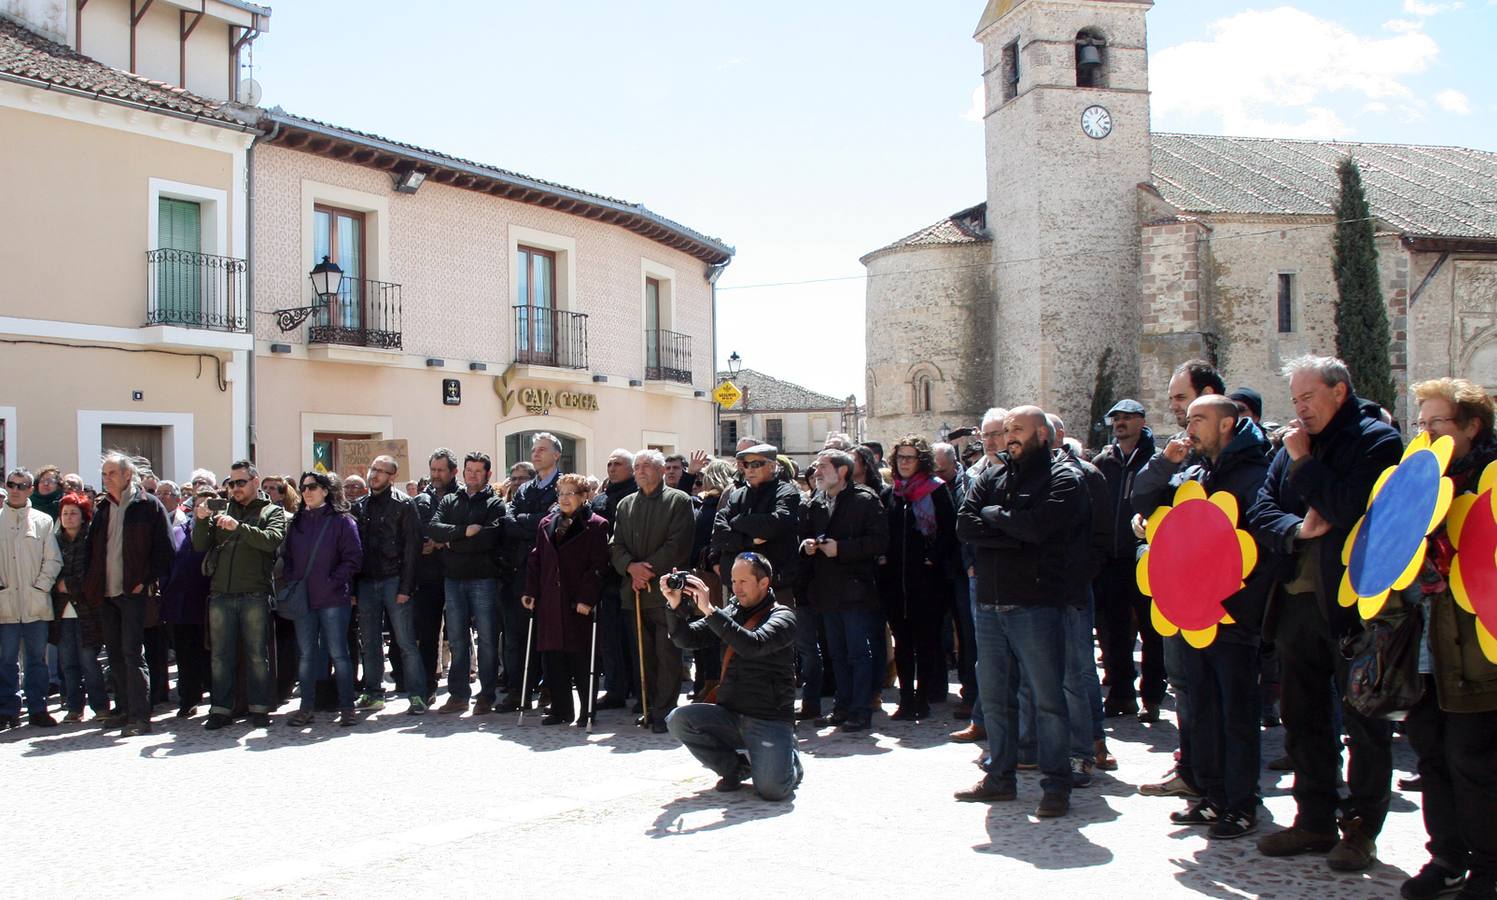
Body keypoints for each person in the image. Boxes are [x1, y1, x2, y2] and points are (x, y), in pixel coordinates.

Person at [1248, 355, 1402, 871]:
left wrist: (1305, 466)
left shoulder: (1375, 440)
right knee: (1304, 717)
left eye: (1307, 398)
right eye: (1294, 400)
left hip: (1353, 606)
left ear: (1339, 392)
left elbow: (1349, 506)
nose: (1299, 409)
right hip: (1295, 602)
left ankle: (1361, 827)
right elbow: (1261, 508)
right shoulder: (1291, 444)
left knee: (1363, 720)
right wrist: (1296, 530)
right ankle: (1313, 819)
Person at [1135, 395, 1272, 838]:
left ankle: (1241, 802)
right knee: (1204, 710)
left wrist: (1241, 605)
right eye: (1187, 418)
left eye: (1199, 419)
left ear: (1228, 424)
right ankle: (1213, 796)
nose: (1188, 427)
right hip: (1192, 611)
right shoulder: (1192, 469)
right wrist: (1163, 465)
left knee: (1236, 712)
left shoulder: (1254, 471)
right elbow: (1142, 500)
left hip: (1232, 612)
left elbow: (1260, 543)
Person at [954, 407, 1085, 819]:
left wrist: (997, 521)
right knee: (995, 698)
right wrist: (1009, 527)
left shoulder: (1064, 477)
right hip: (990, 605)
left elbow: (1040, 528)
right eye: (1006, 430)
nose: (1009, 437)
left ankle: (1056, 784)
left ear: (1042, 434)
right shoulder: (991, 475)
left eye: (1018, 430)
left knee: (1048, 700)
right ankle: (1000, 777)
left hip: (1036, 605)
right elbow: (965, 525)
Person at [1396, 378, 1497, 900]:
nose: (1426, 431)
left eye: (1437, 422)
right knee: (1430, 752)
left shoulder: (1489, 485)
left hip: (1479, 647)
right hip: (1428, 639)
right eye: (1422, 422)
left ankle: (1489, 866)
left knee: (1473, 758)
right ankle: (1447, 856)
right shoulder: (1419, 482)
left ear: (1472, 427)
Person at [663, 554, 803, 801]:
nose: (736, 588)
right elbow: (687, 639)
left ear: (764, 583)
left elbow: (753, 645)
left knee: (773, 791)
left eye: (743, 581)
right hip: (730, 714)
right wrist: (675, 607)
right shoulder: (732, 610)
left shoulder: (783, 617)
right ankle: (735, 768)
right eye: (733, 581)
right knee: (678, 720)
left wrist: (709, 610)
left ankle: (790, 757)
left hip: (769, 719)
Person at [711, 443, 808, 715]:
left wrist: (738, 524)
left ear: (772, 465)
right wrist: (751, 537)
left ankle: (780, 708)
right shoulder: (736, 494)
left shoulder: (786, 492)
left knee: (774, 646)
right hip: (739, 585)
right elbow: (719, 535)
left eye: (756, 464)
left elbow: (777, 523)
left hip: (775, 583)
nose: (749, 470)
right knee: (736, 641)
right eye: (745, 465)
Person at [194, 459, 287, 730]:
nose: (234, 488)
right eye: (231, 483)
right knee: (220, 655)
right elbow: (200, 544)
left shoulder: (271, 511)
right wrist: (201, 522)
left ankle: (260, 708)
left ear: (255, 482)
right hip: (221, 593)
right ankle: (221, 708)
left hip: (254, 593)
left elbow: (271, 541)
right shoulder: (221, 508)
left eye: (240, 482)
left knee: (258, 654)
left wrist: (239, 527)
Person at [83, 452, 173, 735]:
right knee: (115, 654)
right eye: (104, 473)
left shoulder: (149, 505)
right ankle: (122, 708)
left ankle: (139, 716)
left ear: (127, 475)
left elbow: (166, 551)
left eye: (111, 473)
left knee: (133, 653)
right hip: (107, 593)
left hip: (133, 593)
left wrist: (145, 580)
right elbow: (92, 549)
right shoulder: (103, 508)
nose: (106, 478)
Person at [800, 449, 889, 731]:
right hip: (826, 591)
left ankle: (861, 709)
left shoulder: (864, 500)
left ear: (842, 471)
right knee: (836, 654)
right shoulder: (816, 502)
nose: (817, 472)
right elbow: (803, 537)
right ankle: (843, 705)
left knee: (858, 653)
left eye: (823, 466)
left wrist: (842, 549)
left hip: (856, 591)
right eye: (816, 467)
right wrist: (807, 546)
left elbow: (879, 542)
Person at [610, 449, 695, 732]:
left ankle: (665, 710)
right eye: (637, 466)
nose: (641, 470)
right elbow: (616, 544)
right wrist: (630, 568)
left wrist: (647, 570)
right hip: (634, 592)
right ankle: (647, 706)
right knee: (643, 654)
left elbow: (678, 544)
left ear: (661, 471)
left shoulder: (678, 500)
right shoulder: (625, 504)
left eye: (648, 465)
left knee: (667, 653)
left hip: (666, 593)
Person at [522, 472, 610, 725]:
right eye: (561, 493)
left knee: (580, 658)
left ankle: (587, 711)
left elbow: (598, 566)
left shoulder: (596, 525)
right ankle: (561, 709)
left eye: (570, 493)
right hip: (550, 599)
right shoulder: (546, 523)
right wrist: (530, 591)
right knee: (553, 658)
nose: (564, 498)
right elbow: (536, 559)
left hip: (577, 601)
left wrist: (587, 598)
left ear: (583, 497)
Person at [427, 451, 507, 715]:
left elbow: (489, 539)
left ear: (488, 474)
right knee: (458, 640)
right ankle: (458, 695)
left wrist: (451, 543)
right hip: (454, 579)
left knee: (486, 640)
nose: (472, 475)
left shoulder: (495, 504)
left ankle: (486, 694)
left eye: (477, 471)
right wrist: (464, 532)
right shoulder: (450, 499)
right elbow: (434, 528)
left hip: (484, 579)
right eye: (468, 470)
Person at [280, 471, 363, 727]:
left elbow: (354, 558)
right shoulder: (296, 523)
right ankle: (307, 708)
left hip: (333, 598)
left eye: (313, 487)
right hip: (304, 599)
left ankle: (348, 707)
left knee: (339, 654)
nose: (306, 491)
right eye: (304, 487)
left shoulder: (342, 521)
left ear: (325, 491)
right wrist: (294, 581)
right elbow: (288, 558)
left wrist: (333, 580)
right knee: (306, 656)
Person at [884, 434, 957, 720]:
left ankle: (923, 698)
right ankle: (905, 699)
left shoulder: (936, 490)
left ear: (921, 460)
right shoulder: (892, 493)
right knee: (902, 643)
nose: (904, 463)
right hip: (896, 582)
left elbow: (950, 531)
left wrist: (933, 557)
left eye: (910, 457)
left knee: (926, 641)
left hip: (927, 581)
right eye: (900, 457)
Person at [352, 455, 425, 715]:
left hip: (394, 580)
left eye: (382, 471)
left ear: (392, 476)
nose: (375, 475)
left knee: (405, 642)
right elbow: (353, 550)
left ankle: (417, 695)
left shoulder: (404, 505)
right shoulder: (359, 506)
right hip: (366, 581)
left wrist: (406, 588)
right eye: (374, 469)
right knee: (369, 642)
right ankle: (373, 693)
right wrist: (353, 588)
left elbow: (412, 550)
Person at [501, 433, 563, 711]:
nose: (535, 454)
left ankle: (552, 687)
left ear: (556, 455)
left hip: (551, 572)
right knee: (516, 633)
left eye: (542, 450)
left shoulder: (563, 486)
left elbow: (554, 522)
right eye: (534, 450)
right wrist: (531, 522)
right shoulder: (525, 489)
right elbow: (508, 521)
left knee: (548, 633)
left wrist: (526, 522)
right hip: (520, 570)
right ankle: (519, 689)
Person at [0, 468, 63, 728]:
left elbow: (53, 559)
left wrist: (40, 587)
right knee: (6, 660)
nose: (15, 489)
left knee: (37, 660)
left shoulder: (43, 521)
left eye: (21, 484)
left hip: (35, 603)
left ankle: (38, 708)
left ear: (30, 488)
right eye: (11, 484)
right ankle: (7, 709)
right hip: (5, 603)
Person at [52, 491, 108, 721]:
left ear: (83, 516)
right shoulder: (54, 541)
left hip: (88, 611)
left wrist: (69, 585)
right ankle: (74, 707)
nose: (68, 517)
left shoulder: (90, 540)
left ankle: (100, 706)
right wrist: (59, 586)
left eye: (73, 513)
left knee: (89, 661)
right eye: (65, 513)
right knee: (68, 662)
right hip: (62, 611)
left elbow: (92, 574)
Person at [591, 447, 638, 710]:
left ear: (630, 469)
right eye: (609, 463)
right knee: (609, 637)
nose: (611, 467)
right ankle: (615, 689)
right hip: (605, 577)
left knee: (630, 635)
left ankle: (636, 686)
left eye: (618, 463)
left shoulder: (636, 495)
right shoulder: (601, 497)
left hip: (629, 574)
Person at [933, 440, 977, 717]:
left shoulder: (967, 484)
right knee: (940, 630)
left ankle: (971, 693)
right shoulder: (931, 487)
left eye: (940, 466)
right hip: (939, 568)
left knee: (968, 634)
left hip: (963, 569)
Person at [688, 459, 736, 699]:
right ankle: (704, 681)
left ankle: (714, 681)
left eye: (704, 476)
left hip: (713, 575)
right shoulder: (705, 502)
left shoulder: (721, 503)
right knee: (701, 631)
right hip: (701, 574)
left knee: (713, 630)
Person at [413, 449, 459, 702]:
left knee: (459, 635)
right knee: (428, 634)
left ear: (453, 472)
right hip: (427, 576)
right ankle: (427, 686)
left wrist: (441, 543)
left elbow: (465, 530)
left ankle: (458, 690)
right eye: (433, 470)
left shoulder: (461, 497)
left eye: (441, 470)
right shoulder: (421, 500)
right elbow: (414, 531)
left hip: (456, 573)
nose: (436, 475)